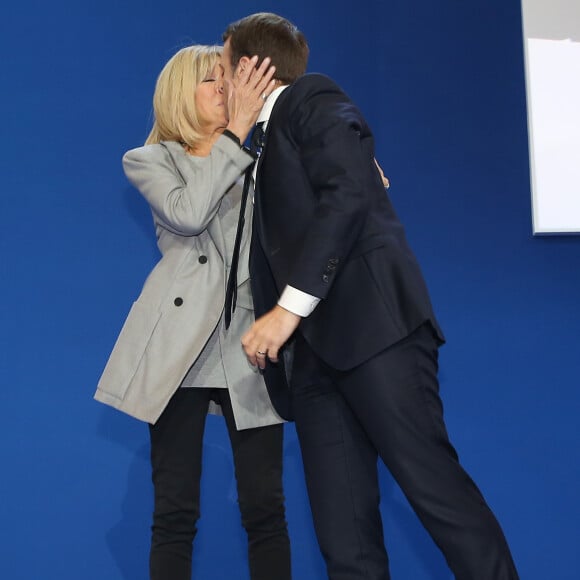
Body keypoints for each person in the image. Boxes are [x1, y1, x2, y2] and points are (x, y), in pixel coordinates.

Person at [221, 13, 520, 580]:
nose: (216, 82)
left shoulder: (310, 97)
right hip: (313, 361)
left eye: (220, 65)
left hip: (375, 335)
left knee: (438, 496)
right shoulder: (258, 150)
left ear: (249, 67)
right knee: (345, 540)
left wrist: (285, 312)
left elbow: (350, 190)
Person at [94, 44, 291, 580]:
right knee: (175, 511)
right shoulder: (150, 159)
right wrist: (234, 139)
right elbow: (188, 213)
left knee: (265, 509)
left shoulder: (263, 157)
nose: (226, 90)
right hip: (179, 349)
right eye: (213, 81)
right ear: (183, 93)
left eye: (228, 81)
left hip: (252, 344)